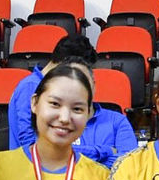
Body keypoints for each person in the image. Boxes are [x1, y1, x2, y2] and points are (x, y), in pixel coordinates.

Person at [8, 34, 138, 169]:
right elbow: (33, 146)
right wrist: (104, 151)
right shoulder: (31, 86)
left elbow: (129, 164)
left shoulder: (115, 120)